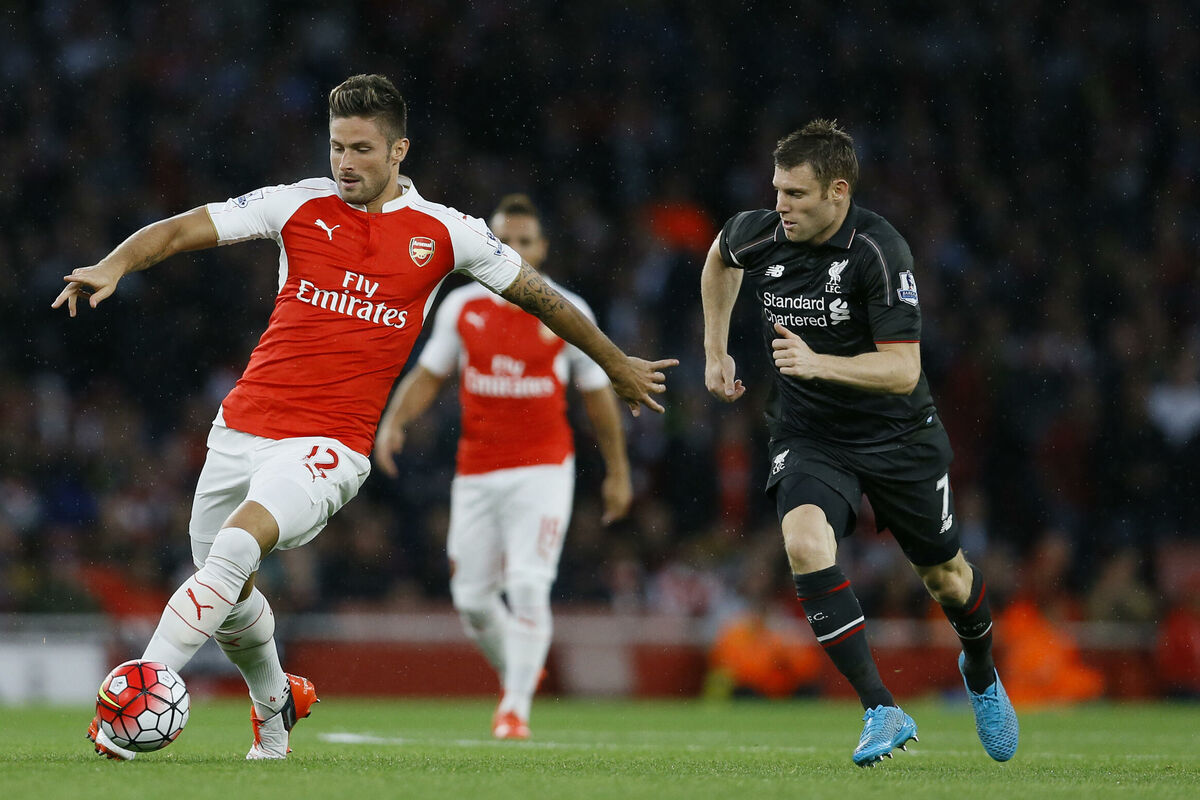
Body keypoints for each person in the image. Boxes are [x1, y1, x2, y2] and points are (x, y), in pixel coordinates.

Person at [53, 74, 676, 761]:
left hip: (329, 445)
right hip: (242, 426)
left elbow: (540, 297)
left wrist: (615, 361)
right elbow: (180, 230)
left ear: (398, 150)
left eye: (361, 149)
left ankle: (137, 698)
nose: (345, 163)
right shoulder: (297, 204)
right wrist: (114, 265)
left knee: (233, 550)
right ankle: (276, 705)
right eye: (336, 147)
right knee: (227, 593)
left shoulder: (446, 233)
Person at [700, 120, 1018, 767]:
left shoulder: (879, 250)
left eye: (796, 193)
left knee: (947, 579)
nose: (780, 205)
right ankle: (881, 707)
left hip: (897, 435)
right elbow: (719, 258)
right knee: (802, 542)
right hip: (810, 433)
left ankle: (980, 668)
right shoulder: (763, 231)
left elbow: (902, 369)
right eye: (777, 190)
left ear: (838, 191)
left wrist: (818, 362)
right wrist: (714, 349)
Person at [373, 193, 632, 739]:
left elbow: (598, 397)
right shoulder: (462, 307)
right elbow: (429, 375)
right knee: (472, 600)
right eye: (503, 240)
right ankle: (522, 665)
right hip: (476, 470)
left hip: (543, 469)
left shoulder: (568, 311)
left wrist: (618, 471)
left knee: (528, 584)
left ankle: (514, 707)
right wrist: (395, 420)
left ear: (543, 249)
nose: (512, 250)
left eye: (524, 241)